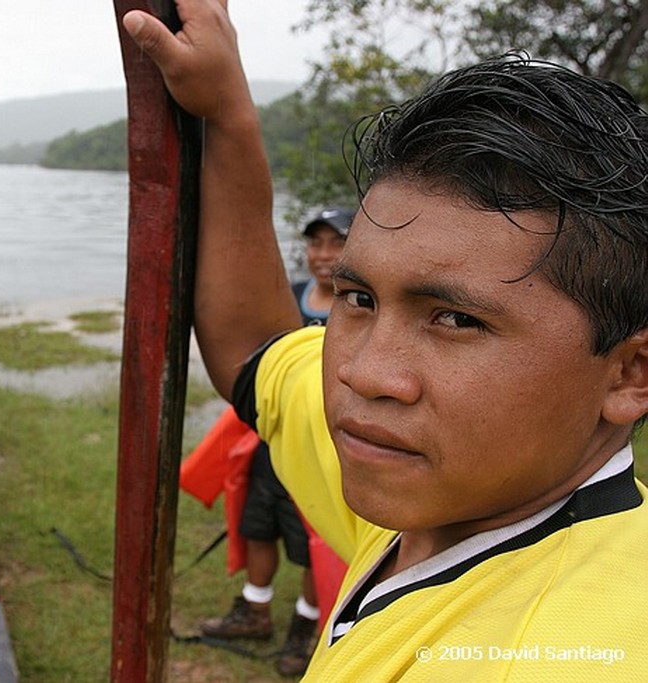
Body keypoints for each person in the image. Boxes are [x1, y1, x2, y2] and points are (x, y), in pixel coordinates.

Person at [123, 2, 648, 680]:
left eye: (456, 320)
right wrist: (226, 112)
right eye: (359, 298)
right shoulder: (447, 500)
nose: (364, 373)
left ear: (630, 373)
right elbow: (255, 347)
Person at [198, 207, 352, 678]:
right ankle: (255, 610)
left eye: (336, 244)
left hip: (326, 453)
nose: (323, 256)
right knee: (257, 526)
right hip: (273, 445)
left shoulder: (360, 307)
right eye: (316, 244)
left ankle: (305, 630)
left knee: (316, 542)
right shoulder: (289, 297)